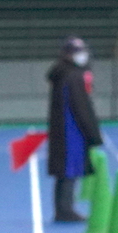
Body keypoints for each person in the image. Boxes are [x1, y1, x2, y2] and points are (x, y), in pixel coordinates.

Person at [46, 36, 103, 223]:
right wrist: (93, 133)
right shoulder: (73, 76)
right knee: (70, 170)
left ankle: (63, 208)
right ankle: (65, 210)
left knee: (65, 171)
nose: (82, 56)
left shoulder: (63, 74)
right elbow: (82, 106)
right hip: (71, 129)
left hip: (63, 128)